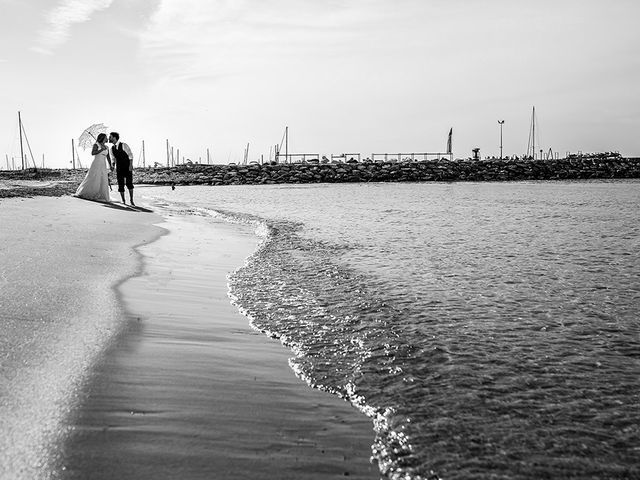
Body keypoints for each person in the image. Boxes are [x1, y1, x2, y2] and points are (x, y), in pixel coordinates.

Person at [74, 132, 112, 202]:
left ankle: (102, 194)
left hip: (103, 164)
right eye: (106, 137)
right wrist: (101, 149)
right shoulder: (96, 145)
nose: (107, 138)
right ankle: (88, 193)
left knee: (103, 177)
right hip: (96, 163)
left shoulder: (107, 147)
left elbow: (108, 157)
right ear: (102, 138)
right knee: (94, 177)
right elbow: (93, 153)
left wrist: (110, 165)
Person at [108, 131, 135, 206]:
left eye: (110, 137)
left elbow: (130, 155)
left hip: (127, 167)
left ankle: (131, 200)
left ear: (114, 137)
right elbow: (113, 159)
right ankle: (123, 200)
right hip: (119, 168)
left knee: (129, 183)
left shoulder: (124, 145)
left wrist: (130, 165)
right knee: (120, 184)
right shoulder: (112, 149)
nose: (109, 138)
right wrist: (112, 166)